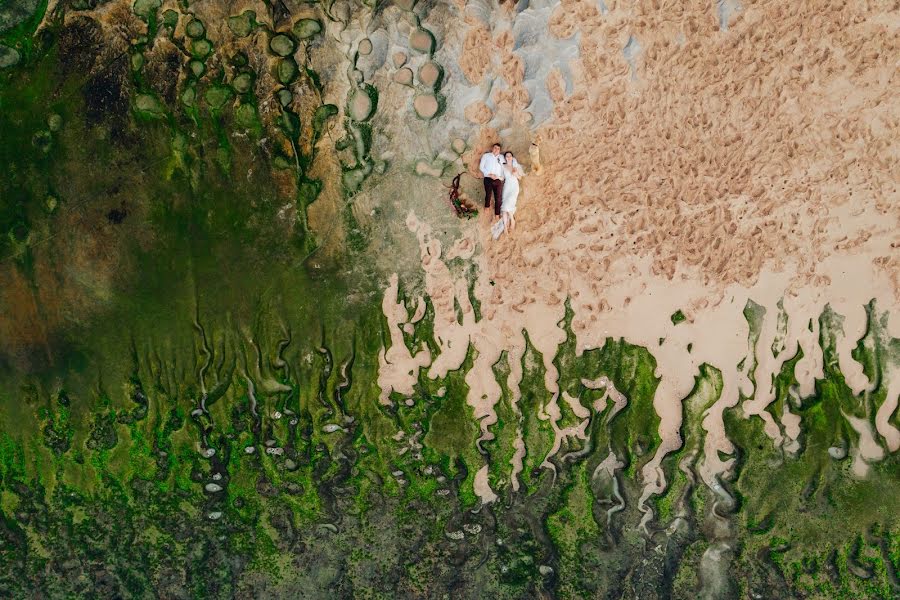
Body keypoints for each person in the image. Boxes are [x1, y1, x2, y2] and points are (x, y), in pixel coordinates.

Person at [479, 143, 505, 219]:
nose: (496, 149)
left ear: (500, 151)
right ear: (492, 148)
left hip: (498, 179)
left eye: (498, 149)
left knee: (498, 197)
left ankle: (497, 213)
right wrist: (489, 174)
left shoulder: (501, 157)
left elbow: (503, 168)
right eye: (495, 148)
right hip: (488, 178)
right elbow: (481, 167)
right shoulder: (486, 156)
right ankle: (487, 206)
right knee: (488, 194)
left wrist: (500, 177)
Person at [500, 151, 524, 234]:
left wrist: (515, 174)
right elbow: (502, 178)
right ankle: (505, 227)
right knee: (504, 207)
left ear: (512, 157)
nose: (508, 157)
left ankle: (512, 220)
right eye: (507, 156)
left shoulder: (515, 166)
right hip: (507, 186)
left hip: (514, 186)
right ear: (505, 158)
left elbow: (520, 178)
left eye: (510, 156)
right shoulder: (503, 166)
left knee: (507, 204)